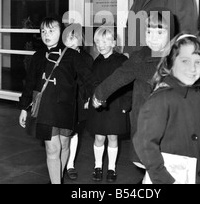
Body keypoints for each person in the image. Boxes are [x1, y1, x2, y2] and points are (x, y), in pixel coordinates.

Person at [133, 33, 200, 184]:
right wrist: (164, 180)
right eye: (185, 61)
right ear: (170, 63)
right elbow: (144, 143)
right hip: (173, 177)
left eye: (198, 62)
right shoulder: (161, 98)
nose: (192, 68)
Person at [92, 11, 172, 178]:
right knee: (150, 165)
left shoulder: (178, 58)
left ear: (170, 33)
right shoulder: (139, 57)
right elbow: (120, 76)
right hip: (145, 123)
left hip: (171, 124)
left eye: (160, 32)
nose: (153, 38)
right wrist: (99, 94)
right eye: (149, 32)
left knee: (167, 165)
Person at [19, 17, 95, 184]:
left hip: (67, 108)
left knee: (64, 145)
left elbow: (87, 79)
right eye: (43, 31)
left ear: (61, 32)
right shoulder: (38, 56)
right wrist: (24, 107)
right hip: (46, 109)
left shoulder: (72, 55)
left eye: (51, 30)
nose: (46, 34)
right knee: (52, 149)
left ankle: (57, 177)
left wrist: (95, 96)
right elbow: (30, 82)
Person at [86, 26, 132, 183]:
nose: (101, 44)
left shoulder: (122, 61)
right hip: (99, 105)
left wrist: (126, 104)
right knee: (99, 137)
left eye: (105, 41)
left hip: (116, 104)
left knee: (113, 137)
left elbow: (128, 84)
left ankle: (111, 168)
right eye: (98, 41)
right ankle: (97, 166)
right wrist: (89, 99)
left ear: (113, 43)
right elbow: (91, 83)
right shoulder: (96, 62)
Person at [63, 23, 94, 181]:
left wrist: (88, 98)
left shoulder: (86, 58)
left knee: (74, 132)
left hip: (78, 99)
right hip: (61, 100)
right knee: (61, 133)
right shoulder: (60, 55)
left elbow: (89, 80)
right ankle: (60, 162)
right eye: (68, 37)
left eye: (74, 37)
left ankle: (70, 164)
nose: (71, 40)